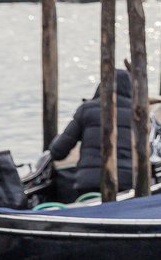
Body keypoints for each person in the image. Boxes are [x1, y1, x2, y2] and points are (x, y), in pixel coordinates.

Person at [46, 68, 137, 202]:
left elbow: (58, 151)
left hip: (88, 184)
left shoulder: (86, 110)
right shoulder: (139, 113)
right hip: (126, 184)